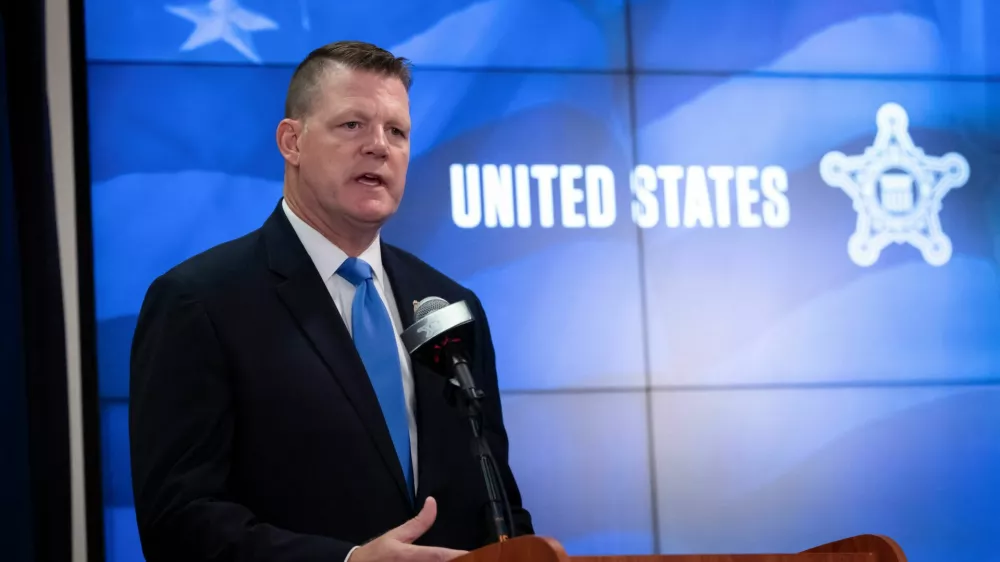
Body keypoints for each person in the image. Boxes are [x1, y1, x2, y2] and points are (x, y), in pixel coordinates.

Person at [128, 40, 534, 562]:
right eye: (352, 126)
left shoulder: (451, 307)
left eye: (397, 132)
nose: (379, 146)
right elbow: (178, 521)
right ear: (291, 142)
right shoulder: (199, 302)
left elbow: (496, 500)